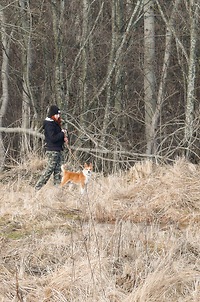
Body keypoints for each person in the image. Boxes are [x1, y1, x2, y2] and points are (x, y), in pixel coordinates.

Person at [35, 105, 68, 191]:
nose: (59, 116)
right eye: (57, 114)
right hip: (52, 150)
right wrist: (62, 133)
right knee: (49, 170)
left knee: (58, 171)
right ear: (52, 114)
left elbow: (58, 136)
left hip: (58, 149)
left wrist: (64, 137)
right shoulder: (49, 124)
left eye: (59, 114)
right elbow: (53, 138)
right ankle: (37, 187)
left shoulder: (55, 123)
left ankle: (58, 189)